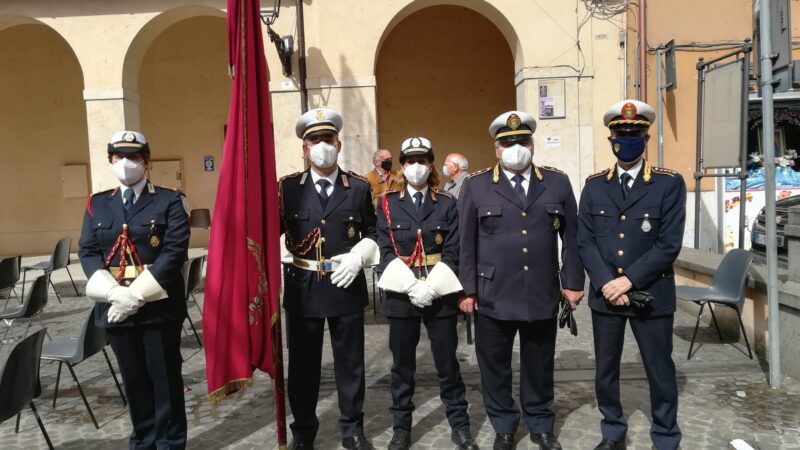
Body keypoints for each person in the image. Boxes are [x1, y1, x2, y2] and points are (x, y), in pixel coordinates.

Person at [458, 111, 585, 450]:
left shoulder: (556, 182)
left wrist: (572, 282)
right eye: (507, 142)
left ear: (532, 143)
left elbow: (572, 237)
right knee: (495, 365)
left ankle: (541, 422)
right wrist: (467, 290)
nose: (516, 147)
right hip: (492, 293)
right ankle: (503, 424)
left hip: (542, 290)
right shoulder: (477, 185)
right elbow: (465, 243)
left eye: (522, 141)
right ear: (497, 149)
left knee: (539, 363)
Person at [577, 100, 685, 450]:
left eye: (635, 133)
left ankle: (666, 436)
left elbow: (668, 245)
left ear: (647, 137)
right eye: (621, 134)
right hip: (606, 294)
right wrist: (607, 282)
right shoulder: (594, 186)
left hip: (650, 293)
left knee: (659, 368)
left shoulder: (668, 184)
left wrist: (628, 281)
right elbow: (585, 240)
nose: (627, 139)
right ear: (611, 139)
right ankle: (612, 432)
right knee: (606, 371)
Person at [80, 130, 190, 449]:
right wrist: (116, 295)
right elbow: (87, 251)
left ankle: (169, 443)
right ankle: (142, 440)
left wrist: (135, 296)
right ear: (110, 161)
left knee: (165, 380)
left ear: (147, 161)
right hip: (116, 310)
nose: (127, 163)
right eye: (119, 157)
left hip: (159, 309)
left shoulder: (170, 200)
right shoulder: (97, 204)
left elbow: (174, 253)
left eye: (135, 157)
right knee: (135, 381)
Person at [279, 108, 379, 450]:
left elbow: (375, 231)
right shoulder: (288, 189)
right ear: (304, 149)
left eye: (327, 139)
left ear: (338, 143)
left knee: (351, 364)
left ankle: (352, 429)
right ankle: (303, 431)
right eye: (314, 140)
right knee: (303, 366)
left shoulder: (359, 187)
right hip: (303, 287)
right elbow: (267, 232)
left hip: (346, 285)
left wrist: (359, 256)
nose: (322, 145)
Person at [376, 137, 478, 450]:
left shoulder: (446, 202)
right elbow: (383, 249)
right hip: (401, 296)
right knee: (402, 367)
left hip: (441, 295)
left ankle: (460, 426)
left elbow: (454, 248)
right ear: (402, 167)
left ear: (431, 165)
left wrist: (431, 287)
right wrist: (411, 286)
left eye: (422, 160)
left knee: (448, 364)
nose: (416, 166)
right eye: (409, 161)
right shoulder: (387, 203)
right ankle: (401, 428)